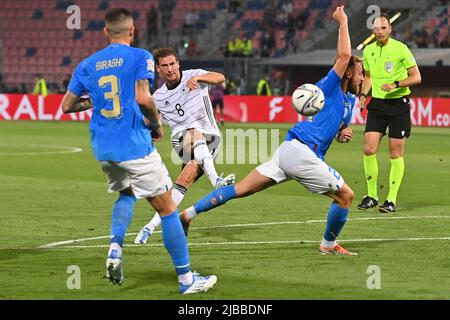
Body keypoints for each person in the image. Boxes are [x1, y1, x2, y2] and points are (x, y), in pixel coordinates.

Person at [180, 6, 363, 256]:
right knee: (346, 196)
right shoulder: (329, 86)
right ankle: (328, 245)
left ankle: (187, 215)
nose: (362, 79)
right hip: (302, 154)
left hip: (289, 152)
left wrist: (342, 132)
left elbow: (333, 123)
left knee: (241, 189)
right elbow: (344, 56)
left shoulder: (346, 101)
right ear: (349, 72)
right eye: (360, 74)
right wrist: (342, 21)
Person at [60, 8, 216, 294]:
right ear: (132, 31)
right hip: (134, 145)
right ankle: (186, 281)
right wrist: (156, 125)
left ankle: (115, 249)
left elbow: (67, 106)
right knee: (169, 209)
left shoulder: (87, 64)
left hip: (104, 148)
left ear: (105, 32)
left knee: (126, 193)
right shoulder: (140, 56)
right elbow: (144, 98)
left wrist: (95, 103)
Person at [134, 47, 235, 244]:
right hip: (182, 141)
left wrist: (200, 80)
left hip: (211, 138)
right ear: (158, 69)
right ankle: (216, 180)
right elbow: (151, 121)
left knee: (183, 182)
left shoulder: (194, 75)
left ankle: (149, 227)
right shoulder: (159, 97)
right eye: (165, 66)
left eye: (173, 64)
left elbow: (220, 78)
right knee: (192, 130)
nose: (170, 69)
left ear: (178, 64)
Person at [357, 13, 421, 213]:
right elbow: (367, 77)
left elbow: (416, 77)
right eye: (376, 28)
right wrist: (362, 95)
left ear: (390, 29)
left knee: (395, 152)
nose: (380, 31)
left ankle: (391, 199)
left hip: (398, 105)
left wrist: (396, 84)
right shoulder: (368, 50)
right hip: (377, 104)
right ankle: (372, 196)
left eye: (383, 28)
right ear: (372, 31)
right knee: (369, 149)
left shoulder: (400, 49)